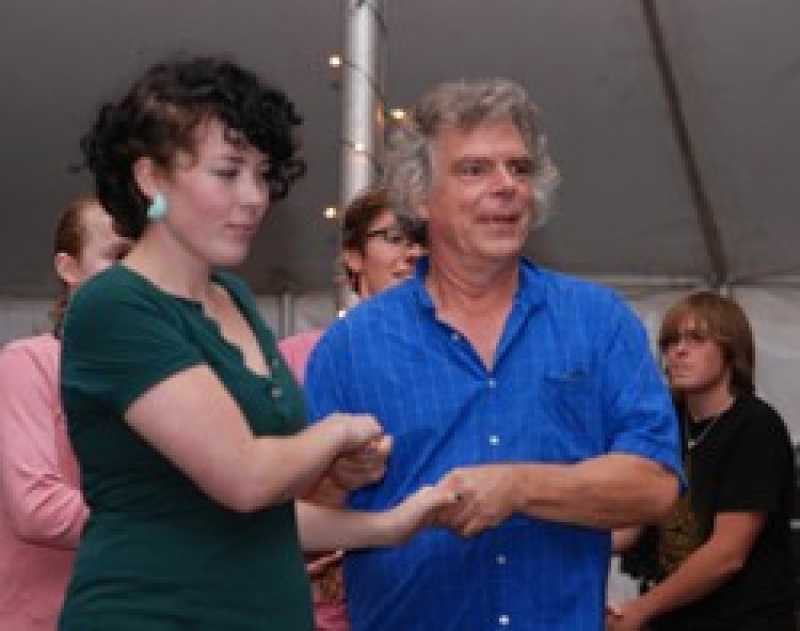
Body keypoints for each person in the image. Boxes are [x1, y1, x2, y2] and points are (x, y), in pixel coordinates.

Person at [57, 56, 452, 631]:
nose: (254, 197)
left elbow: (260, 515)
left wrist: (389, 523)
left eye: (263, 175)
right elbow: (245, 479)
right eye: (228, 173)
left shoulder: (234, 299)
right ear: (151, 178)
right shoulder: (115, 306)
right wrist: (336, 432)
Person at [304, 78, 683, 631]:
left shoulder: (599, 322)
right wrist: (337, 482)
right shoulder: (351, 347)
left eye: (519, 168)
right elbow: (298, 524)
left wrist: (522, 487)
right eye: (474, 170)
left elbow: (656, 486)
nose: (507, 186)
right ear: (419, 195)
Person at [279, 187, 426, 630]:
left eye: (425, 240)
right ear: (353, 256)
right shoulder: (296, 360)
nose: (413, 253)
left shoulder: (465, 366)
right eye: (395, 238)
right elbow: (261, 498)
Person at [608, 291, 796, 630]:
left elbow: (727, 554)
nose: (678, 351)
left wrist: (642, 609)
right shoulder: (665, 422)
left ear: (730, 350)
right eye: (670, 341)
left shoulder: (755, 426)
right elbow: (633, 520)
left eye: (696, 339)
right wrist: (568, 549)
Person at [0, 195, 131, 630]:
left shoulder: (169, 376)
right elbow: (36, 507)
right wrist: (159, 525)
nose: (135, 272)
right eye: (118, 256)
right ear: (68, 268)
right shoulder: (29, 363)